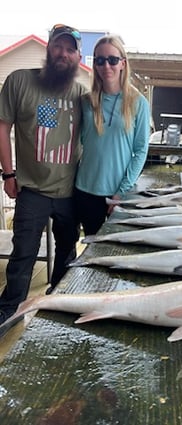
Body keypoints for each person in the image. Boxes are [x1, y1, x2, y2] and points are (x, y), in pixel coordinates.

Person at [0, 24, 87, 325]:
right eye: (58, 46)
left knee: (67, 253)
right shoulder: (20, 81)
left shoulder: (82, 95)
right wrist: (8, 174)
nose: (63, 53)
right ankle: (10, 310)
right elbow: (3, 126)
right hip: (32, 190)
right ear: (49, 49)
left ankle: (56, 308)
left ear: (78, 57)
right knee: (23, 254)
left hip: (70, 191)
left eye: (70, 49)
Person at [74, 34, 150, 236]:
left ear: (123, 63)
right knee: (91, 248)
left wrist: (122, 192)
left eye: (112, 60)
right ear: (95, 65)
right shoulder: (85, 101)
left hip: (118, 193)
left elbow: (141, 150)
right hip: (85, 190)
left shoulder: (138, 102)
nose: (106, 66)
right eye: (100, 60)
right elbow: (79, 141)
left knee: (118, 251)